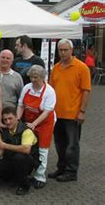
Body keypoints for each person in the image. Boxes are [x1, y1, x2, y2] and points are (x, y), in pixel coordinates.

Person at [48, 38, 91, 182]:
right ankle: (61, 168)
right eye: (60, 50)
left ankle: (71, 171)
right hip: (56, 113)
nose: (63, 52)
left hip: (73, 114)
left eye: (66, 50)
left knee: (72, 144)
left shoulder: (81, 67)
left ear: (72, 51)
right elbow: (51, 89)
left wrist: (82, 111)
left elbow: (86, 91)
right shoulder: (56, 67)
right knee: (60, 144)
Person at [17, 65, 56, 189]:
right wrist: (18, 120)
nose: (33, 80)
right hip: (29, 121)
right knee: (29, 147)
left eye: (36, 77)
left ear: (42, 77)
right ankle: (29, 171)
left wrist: (35, 124)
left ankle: (40, 176)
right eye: (31, 77)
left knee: (42, 149)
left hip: (45, 123)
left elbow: (46, 112)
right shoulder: (27, 88)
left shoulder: (49, 91)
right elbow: (21, 105)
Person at [0, 106, 39, 196]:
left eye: (10, 118)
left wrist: (6, 146)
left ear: (16, 117)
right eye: (5, 120)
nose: (7, 122)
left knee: (19, 157)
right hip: (11, 160)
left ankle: (24, 185)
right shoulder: (4, 132)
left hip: (27, 162)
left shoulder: (26, 131)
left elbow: (26, 149)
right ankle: (14, 178)